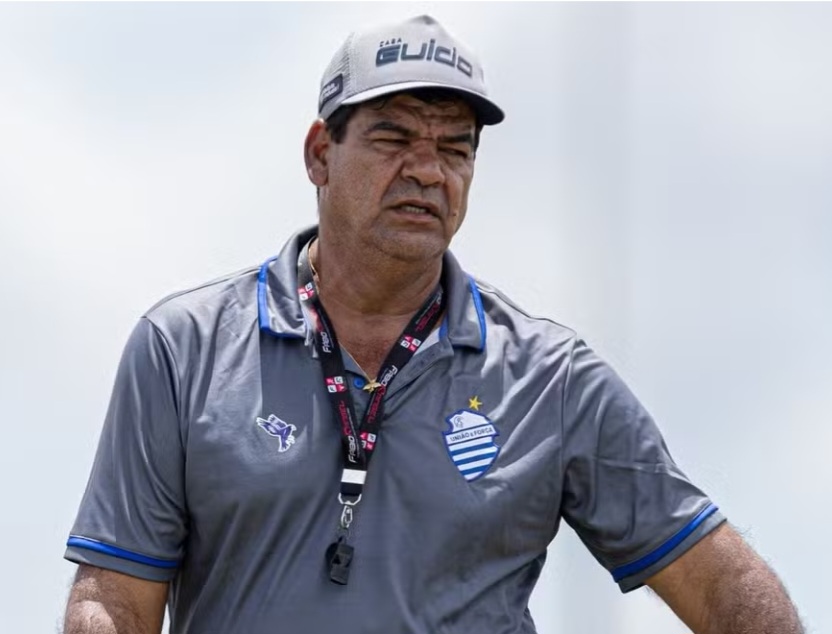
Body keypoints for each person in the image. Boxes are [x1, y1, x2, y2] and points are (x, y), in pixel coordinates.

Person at [63, 14, 803, 634]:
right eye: (394, 139)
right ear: (320, 154)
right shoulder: (183, 350)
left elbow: (719, 582)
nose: (428, 170)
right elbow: (114, 600)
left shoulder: (553, 379)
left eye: (455, 148)